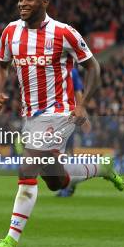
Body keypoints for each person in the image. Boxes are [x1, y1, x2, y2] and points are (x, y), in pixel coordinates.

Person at [0, 0, 124, 247]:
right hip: (30, 115)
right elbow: (1, 66)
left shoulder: (64, 33)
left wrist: (82, 104)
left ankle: (10, 241)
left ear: (45, 2)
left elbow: (93, 66)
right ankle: (100, 167)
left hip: (59, 112)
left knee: (28, 166)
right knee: (56, 181)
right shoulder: (10, 32)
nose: (23, 4)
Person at [56, 67, 84, 197]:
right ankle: (66, 185)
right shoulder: (54, 66)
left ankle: (69, 185)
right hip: (56, 116)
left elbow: (78, 92)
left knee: (66, 152)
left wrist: (80, 111)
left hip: (67, 115)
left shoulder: (71, 70)